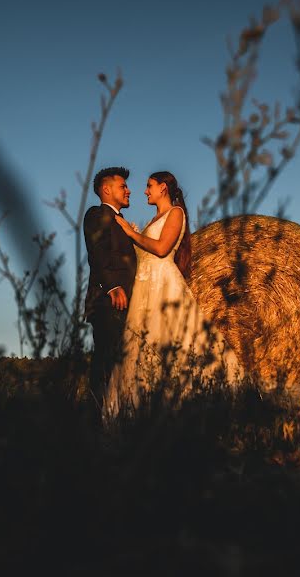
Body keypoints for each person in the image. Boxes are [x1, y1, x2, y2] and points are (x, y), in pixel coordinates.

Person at [104, 171, 242, 420]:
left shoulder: (175, 213)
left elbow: (161, 248)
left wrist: (131, 233)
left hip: (163, 284)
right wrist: (134, 239)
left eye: (149, 186)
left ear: (163, 188)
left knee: (169, 340)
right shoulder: (154, 219)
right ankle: (141, 411)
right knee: (142, 347)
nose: (145, 191)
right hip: (144, 286)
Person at [83, 167, 137, 410]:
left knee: (122, 363)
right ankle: (95, 417)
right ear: (106, 189)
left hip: (128, 302)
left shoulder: (121, 222)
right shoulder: (97, 214)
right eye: (122, 186)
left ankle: (118, 416)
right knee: (105, 362)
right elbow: (97, 252)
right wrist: (111, 285)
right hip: (108, 301)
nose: (129, 190)